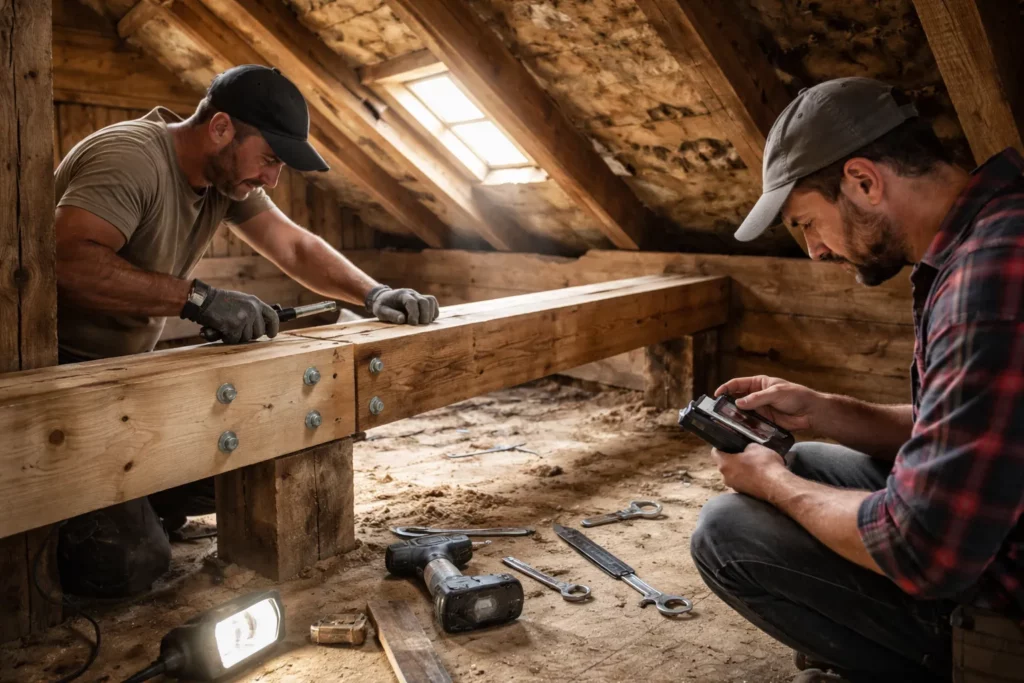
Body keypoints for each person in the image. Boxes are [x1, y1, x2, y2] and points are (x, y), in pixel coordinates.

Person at [54, 65, 439, 598]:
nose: (271, 179)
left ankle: (141, 500)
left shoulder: (223, 176)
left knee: (270, 448)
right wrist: (198, 300)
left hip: (124, 378)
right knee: (131, 561)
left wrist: (374, 294)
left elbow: (293, 245)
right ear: (221, 129)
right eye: (271, 160)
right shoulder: (131, 158)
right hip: (54, 378)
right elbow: (68, 264)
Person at [690, 77, 1024, 683]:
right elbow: (962, 431)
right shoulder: (991, 231)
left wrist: (772, 486)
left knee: (728, 533)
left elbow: (923, 550)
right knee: (810, 454)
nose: (814, 251)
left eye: (807, 224)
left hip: (1007, 595)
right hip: (1000, 519)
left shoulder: (989, 283)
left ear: (864, 182)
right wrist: (823, 410)